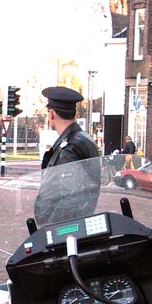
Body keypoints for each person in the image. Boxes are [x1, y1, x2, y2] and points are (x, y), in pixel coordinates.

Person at [35, 86, 101, 226]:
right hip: (78, 223)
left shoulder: (70, 147)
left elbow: (72, 198)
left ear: (52, 113)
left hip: (64, 229)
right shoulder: (83, 138)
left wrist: (50, 229)